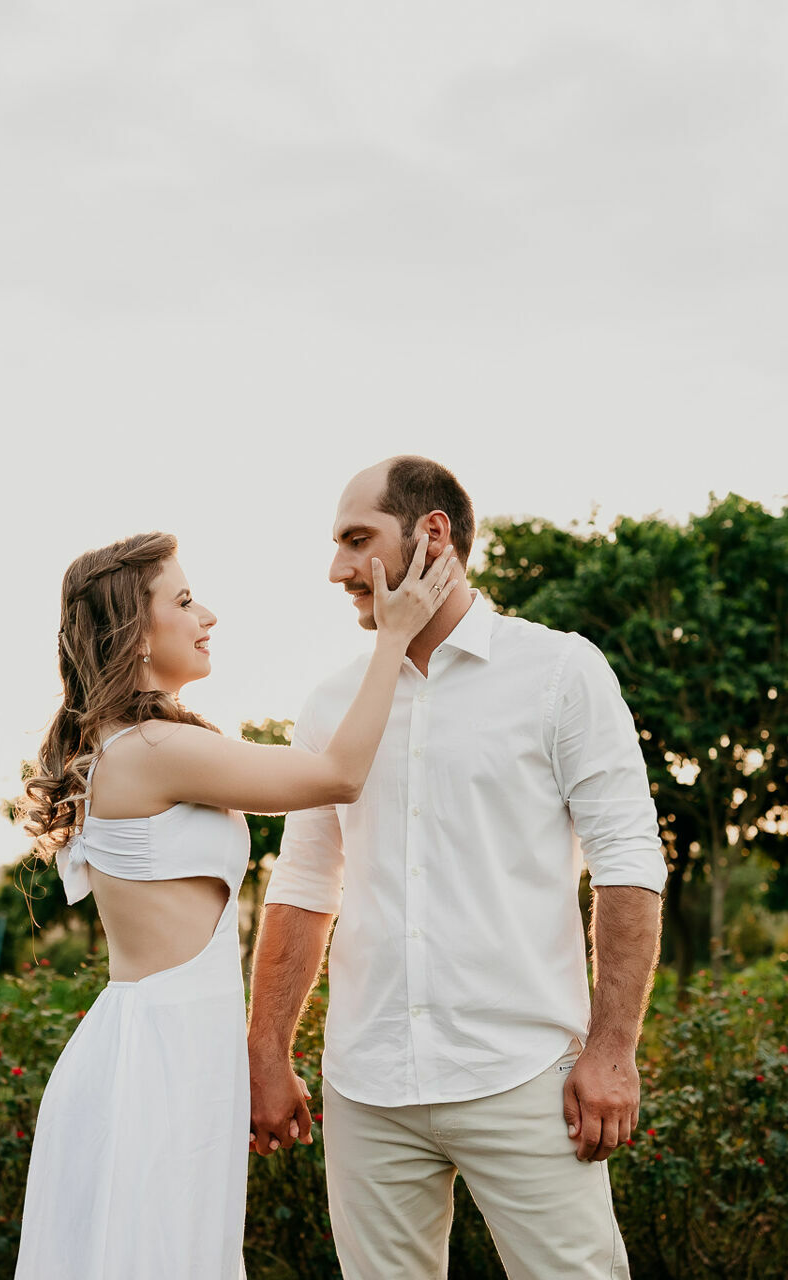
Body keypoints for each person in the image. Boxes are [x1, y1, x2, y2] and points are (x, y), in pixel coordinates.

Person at [248, 457, 666, 1279]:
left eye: (357, 541)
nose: (338, 569)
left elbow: (627, 863)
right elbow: (302, 886)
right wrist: (267, 1051)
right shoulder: (332, 703)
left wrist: (613, 1049)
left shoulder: (560, 671)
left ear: (431, 534)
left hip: (524, 1077)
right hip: (368, 1087)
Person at [12, 528, 461, 1280]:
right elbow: (340, 775)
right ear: (136, 633)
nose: (207, 615)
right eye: (184, 601)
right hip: (162, 1058)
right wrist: (395, 640)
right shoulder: (152, 751)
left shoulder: (135, 745)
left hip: (171, 1046)